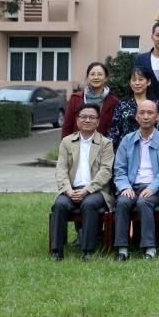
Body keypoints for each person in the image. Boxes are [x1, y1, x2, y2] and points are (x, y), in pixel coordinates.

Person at [112, 100, 159, 261]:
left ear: (157, 117)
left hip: (156, 189)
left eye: (150, 113)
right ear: (136, 117)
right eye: (142, 113)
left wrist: (153, 187)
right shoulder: (127, 140)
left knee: (144, 202)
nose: (146, 116)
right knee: (122, 202)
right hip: (131, 187)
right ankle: (122, 249)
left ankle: (149, 248)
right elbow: (119, 169)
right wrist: (124, 187)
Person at [50, 103, 115, 260]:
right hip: (71, 189)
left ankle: (88, 251)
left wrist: (87, 190)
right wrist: (67, 190)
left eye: (92, 117)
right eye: (84, 117)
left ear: (98, 122)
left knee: (89, 204)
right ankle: (56, 251)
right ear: (77, 120)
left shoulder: (106, 143)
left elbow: (106, 171)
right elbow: (61, 169)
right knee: (59, 204)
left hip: (96, 191)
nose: (87, 120)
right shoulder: (67, 142)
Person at [61, 61, 119, 139]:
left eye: (100, 74)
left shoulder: (113, 101)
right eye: (92, 74)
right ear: (87, 78)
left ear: (106, 78)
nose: (96, 77)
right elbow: (67, 126)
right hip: (77, 144)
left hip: (103, 145)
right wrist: (65, 144)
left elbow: (115, 129)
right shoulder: (75, 99)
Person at [108, 66, 155, 146]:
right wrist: (107, 147)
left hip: (150, 146)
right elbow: (114, 129)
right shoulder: (122, 104)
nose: (137, 83)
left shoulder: (155, 104)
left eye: (140, 79)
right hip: (126, 147)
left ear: (148, 82)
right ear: (130, 83)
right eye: (134, 80)